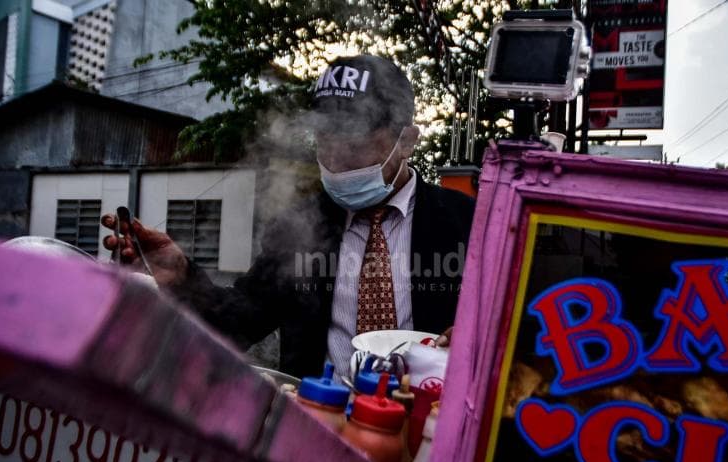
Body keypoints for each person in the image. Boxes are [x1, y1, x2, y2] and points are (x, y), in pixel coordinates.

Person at [101, 55, 475, 379]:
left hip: (429, 424)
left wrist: (476, 340)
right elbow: (236, 321)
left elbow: (501, 329)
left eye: (353, 140)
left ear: (406, 141)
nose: (335, 156)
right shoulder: (298, 225)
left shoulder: (467, 223)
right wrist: (181, 275)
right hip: (320, 420)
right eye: (325, 137)